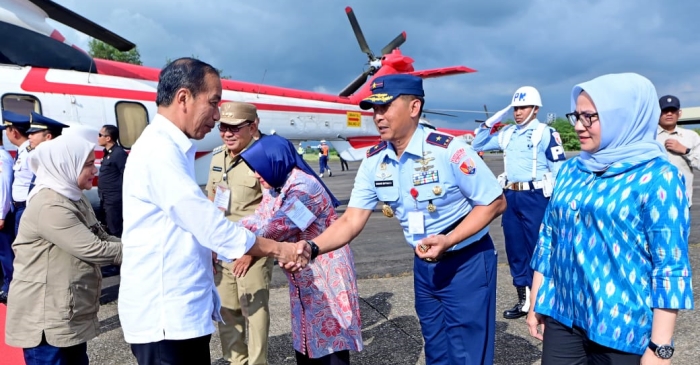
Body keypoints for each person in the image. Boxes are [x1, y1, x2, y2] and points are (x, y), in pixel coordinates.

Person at [284, 74, 506, 364]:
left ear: (414, 107)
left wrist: (449, 239)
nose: (378, 116)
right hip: (424, 266)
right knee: (437, 352)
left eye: (385, 107)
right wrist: (312, 248)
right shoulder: (375, 160)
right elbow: (351, 220)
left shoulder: (447, 150)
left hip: (466, 263)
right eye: (375, 110)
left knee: (467, 354)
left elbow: (494, 201)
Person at [117, 57, 309, 365]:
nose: (218, 116)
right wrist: (279, 248)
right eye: (214, 102)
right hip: (167, 318)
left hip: (181, 311)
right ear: (183, 98)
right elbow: (209, 224)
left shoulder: (168, 149)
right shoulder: (159, 152)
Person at [527, 73, 694, 364]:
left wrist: (660, 348)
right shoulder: (570, 171)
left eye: (590, 117)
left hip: (622, 327)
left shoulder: (658, 177)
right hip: (562, 315)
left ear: (624, 117)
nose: (578, 126)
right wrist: (538, 301)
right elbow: (549, 240)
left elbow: (670, 266)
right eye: (576, 115)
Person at [239, 134, 362, 365]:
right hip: (305, 279)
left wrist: (227, 235)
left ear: (275, 161)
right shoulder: (277, 185)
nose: (256, 175)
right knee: (307, 346)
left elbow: (274, 229)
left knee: (330, 347)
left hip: (327, 276)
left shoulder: (304, 189)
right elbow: (260, 218)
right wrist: (224, 226)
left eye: (260, 168)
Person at [4, 134, 122, 365]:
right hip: (46, 320)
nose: (95, 170)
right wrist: (149, 252)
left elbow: (102, 235)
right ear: (66, 165)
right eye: (88, 164)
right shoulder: (50, 204)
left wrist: (140, 245)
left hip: (65, 313)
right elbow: (94, 249)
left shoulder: (73, 197)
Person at [471, 86, 567, 320]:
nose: (518, 112)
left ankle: (544, 300)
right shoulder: (507, 134)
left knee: (540, 247)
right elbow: (477, 145)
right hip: (512, 196)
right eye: (515, 108)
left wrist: (559, 202)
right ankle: (524, 300)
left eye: (523, 107)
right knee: (515, 248)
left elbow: (560, 169)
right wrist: (487, 124)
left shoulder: (545, 132)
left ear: (535, 109)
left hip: (537, 196)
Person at [206, 101, 273, 365]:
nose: (227, 133)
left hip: (253, 249)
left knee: (254, 311)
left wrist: (252, 253)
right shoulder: (217, 157)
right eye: (223, 127)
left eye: (234, 128)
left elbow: (273, 212)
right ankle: (236, 361)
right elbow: (211, 203)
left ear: (253, 126)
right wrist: (210, 245)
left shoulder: (264, 158)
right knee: (227, 312)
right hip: (222, 249)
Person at [656, 95, 700, 207]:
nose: (669, 113)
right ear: (657, 112)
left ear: (679, 113)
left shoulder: (691, 136)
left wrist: (685, 150)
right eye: (665, 110)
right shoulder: (649, 137)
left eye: (673, 110)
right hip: (654, 200)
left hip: (682, 201)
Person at [97, 124, 128, 237]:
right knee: (107, 227)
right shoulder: (107, 154)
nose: (98, 137)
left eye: (100, 135)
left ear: (108, 138)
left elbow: (127, 175)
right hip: (105, 198)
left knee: (115, 230)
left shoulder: (119, 154)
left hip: (114, 200)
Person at [5, 111, 31, 236]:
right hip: (19, 207)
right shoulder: (22, 151)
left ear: (14, 132)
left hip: (26, 208)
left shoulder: (29, 153)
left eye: (7, 130)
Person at [0, 116, 15, 304]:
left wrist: (1, 215)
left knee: (5, 252)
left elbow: (4, 188)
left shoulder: (2, 158)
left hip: (2, 213)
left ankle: (10, 286)